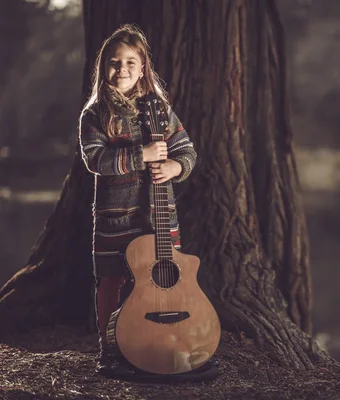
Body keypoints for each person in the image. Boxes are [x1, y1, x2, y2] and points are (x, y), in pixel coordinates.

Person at [78, 24, 214, 380]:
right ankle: (110, 348)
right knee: (111, 283)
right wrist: (143, 154)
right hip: (114, 220)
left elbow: (187, 150)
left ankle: (164, 339)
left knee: (163, 279)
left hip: (159, 219)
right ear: (103, 67)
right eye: (113, 61)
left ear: (142, 69)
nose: (121, 69)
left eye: (130, 62)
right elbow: (96, 161)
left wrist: (174, 165)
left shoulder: (159, 110)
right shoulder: (95, 114)